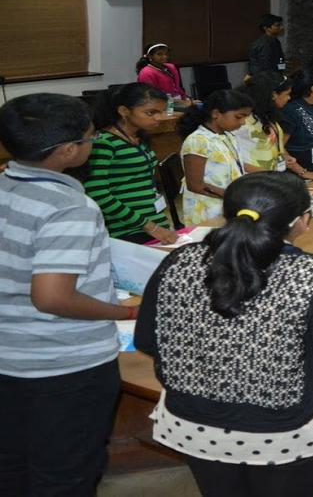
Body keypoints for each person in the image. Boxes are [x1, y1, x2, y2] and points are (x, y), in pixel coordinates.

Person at [135, 172, 313, 496]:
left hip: (191, 424)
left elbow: (148, 340)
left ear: (228, 215)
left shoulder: (179, 260)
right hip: (284, 432)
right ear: (303, 221)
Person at [0, 94, 131, 496]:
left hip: (9, 357)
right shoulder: (69, 206)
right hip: (62, 367)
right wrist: (126, 313)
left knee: (13, 464)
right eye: (90, 137)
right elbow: (53, 297)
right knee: (66, 473)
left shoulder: (5, 182)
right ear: (68, 150)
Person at [84, 83, 178, 244]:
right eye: (151, 113)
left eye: (161, 112)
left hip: (154, 223)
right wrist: (148, 226)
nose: (159, 118)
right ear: (124, 111)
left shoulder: (138, 138)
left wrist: (157, 225)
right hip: (128, 229)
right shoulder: (104, 143)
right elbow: (98, 194)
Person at [238, 72, 313, 182]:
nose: (289, 98)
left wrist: (300, 170)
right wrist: (269, 175)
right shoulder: (242, 122)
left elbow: (277, 148)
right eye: (287, 94)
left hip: (274, 179)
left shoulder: (267, 116)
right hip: (255, 181)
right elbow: (234, 159)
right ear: (273, 95)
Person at [178, 89, 253, 225]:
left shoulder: (227, 136)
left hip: (227, 203)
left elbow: (235, 165)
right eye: (238, 117)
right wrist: (233, 196)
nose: (243, 122)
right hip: (206, 210)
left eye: (245, 118)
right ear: (216, 114)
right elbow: (195, 185)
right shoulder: (198, 140)